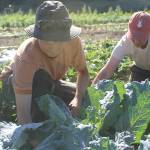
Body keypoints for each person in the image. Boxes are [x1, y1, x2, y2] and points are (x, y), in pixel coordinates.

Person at [0, 1, 89, 124]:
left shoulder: (73, 42)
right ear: (37, 36)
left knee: (86, 96)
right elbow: (23, 115)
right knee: (40, 79)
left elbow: (83, 72)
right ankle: (40, 119)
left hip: (51, 82)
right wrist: (37, 139)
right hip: (14, 84)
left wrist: (77, 99)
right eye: (47, 40)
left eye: (57, 40)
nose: (52, 45)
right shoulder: (27, 55)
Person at [92, 11, 150, 85]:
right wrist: (92, 90)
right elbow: (107, 70)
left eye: (140, 36)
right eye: (134, 35)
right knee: (134, 93)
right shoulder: (125, 41)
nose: (136, 40)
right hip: (140, 70)